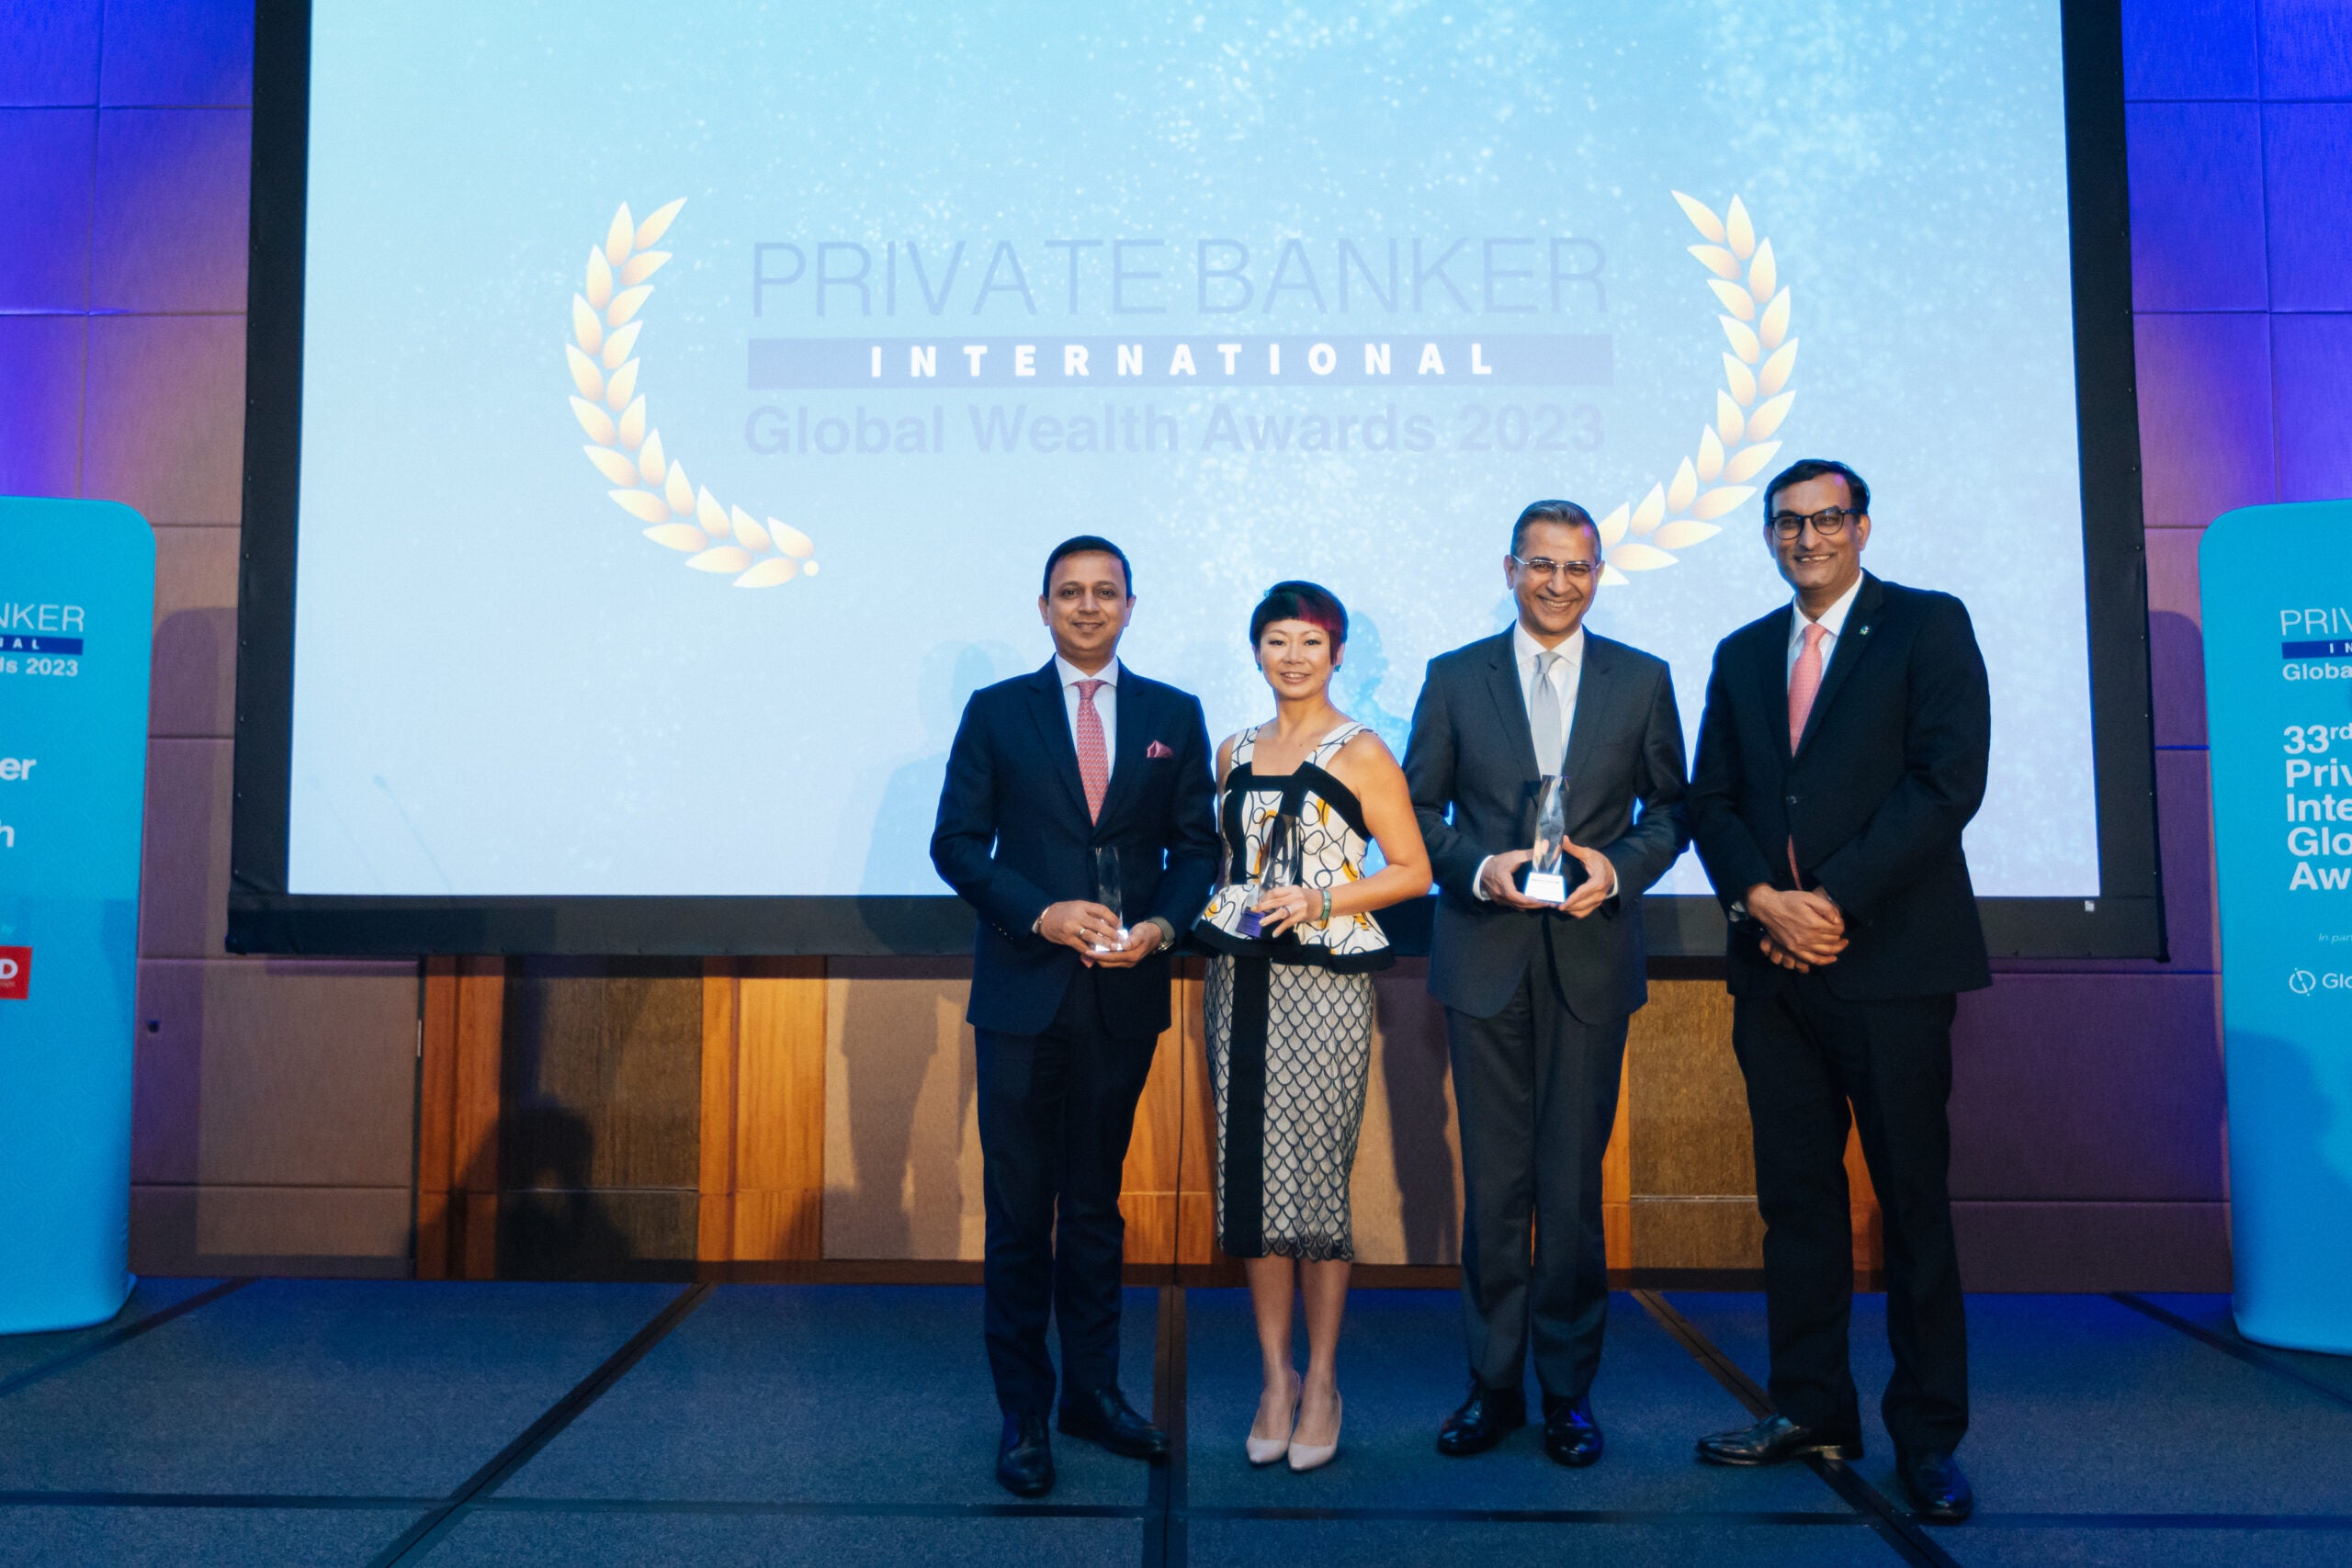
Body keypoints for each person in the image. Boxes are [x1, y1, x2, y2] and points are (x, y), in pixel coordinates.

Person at [1685, 459, 1989, 1524]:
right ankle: (1810, 1408)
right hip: (1772, 975)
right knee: (1796, 1204)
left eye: (1825, 519)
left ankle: (1928, 1438)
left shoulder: (1927, 625)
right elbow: (1710, 799)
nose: (1805, 537)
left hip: (1892, 969)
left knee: (1911, 1207)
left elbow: (1946, 784)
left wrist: (1830, 902)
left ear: (1861, 526)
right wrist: (1764, 901)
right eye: (1787, 522)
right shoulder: (1740, 652)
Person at [930, 536, 1221, 1498]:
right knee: (1020, 1212)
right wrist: (1041, 913)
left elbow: (1196, 849)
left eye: (1105, 592)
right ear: (1044, 606)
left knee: (1095, 1205)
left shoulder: (1172, 713)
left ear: (1131, 606)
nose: (1088, 606)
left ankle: (1092, 1393)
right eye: (1070, 592)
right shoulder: (996, 711)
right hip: (1022, 995)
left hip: (1121, 994)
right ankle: (1023, 1411)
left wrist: (1162, 926)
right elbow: (957, 844)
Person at [1401, 502, 1690, 1467]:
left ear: (1597, 574)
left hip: (1591, 957)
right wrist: (1479, 867)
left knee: (1569, 1190)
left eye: (1576, 568)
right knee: (1494, 1188)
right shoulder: (1454, 677)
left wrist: (1620, 866)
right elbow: (1415, 808)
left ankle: (1567, 1392)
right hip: (1484, 956)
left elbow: (1673, 809)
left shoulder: (1642, 679)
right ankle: (1492, 1387)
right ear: (1510, 569)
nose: (1558, 583)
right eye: (1541, 565)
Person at [1192, 581, 1432, 1472]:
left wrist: (1321, 898)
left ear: (1337, 654)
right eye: (1277, 641)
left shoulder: (1362, 750)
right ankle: (1274, 1378)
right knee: (1250, 1186)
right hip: (1238, 981)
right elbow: (1230, 866)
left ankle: (1324, 1380)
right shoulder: (1231, 748)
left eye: (1310, 642)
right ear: (1257, 650)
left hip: (1326, 987)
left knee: (1316, 1187)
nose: (1293, 657)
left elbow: (1411, 870)